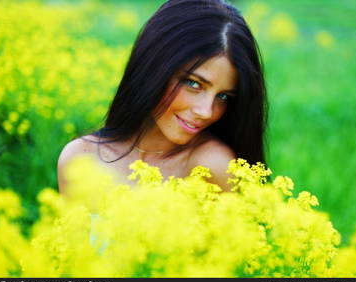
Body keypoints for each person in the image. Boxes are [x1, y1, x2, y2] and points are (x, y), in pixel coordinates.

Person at [57, 0, 268, 194]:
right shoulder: (81, 158)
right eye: (194, 84)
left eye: (223, 96)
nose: (206, 111)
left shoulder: (214, 167)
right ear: (154, 67)